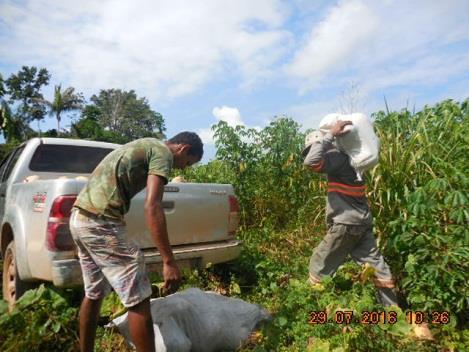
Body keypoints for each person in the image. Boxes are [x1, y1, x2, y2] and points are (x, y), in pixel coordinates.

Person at [69, 132, 203, 352]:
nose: (183, 169)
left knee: (94, 294)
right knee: (139, 298)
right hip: (100, 221)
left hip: (80, 218)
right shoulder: (163, 154)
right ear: (183, 149)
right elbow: (153, 206)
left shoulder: (146, 145)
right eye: (187, 162)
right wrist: (168, 261)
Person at [302, 120, 433, 339]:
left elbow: (311, 163)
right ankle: (393, 315)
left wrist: (328, 137)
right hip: (363, 224)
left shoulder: (336, 159)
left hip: (346, 224)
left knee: (318, 264)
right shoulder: (354, 162)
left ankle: (312, 317)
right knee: (377, 267)